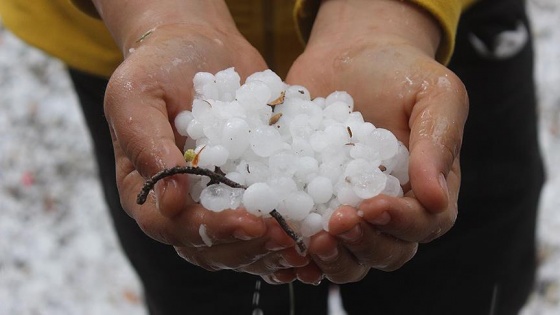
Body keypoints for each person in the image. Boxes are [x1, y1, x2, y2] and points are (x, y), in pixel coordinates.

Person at [0, 0, 543, 314]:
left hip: (431, 28)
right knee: (207, 281)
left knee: (458, 280)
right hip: (132, 37)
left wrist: (385, 15)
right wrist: (162, 13)